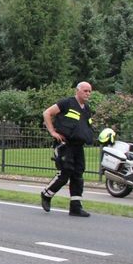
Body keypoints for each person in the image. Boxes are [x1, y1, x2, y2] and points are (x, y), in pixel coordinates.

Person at [40, 81, 95, 217]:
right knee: (65, 172)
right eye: (85, 91)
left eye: (89, 91)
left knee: (78, 174)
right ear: (77, 91)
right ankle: (47, 194)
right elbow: (47, 113)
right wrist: (52, 132)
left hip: (78, 146)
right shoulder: (66, 103)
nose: (88, 93)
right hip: (64, 144)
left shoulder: (87, 109)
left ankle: (75, 207)